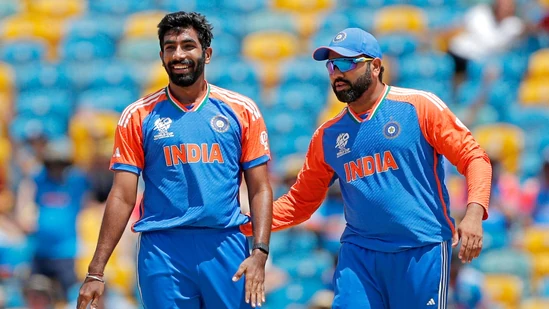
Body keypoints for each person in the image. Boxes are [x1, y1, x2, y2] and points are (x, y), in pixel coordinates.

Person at [243, 27, 493, 308]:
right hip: (360, 255)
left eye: (347, 63)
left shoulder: (418, 106)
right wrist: (241, 222)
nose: (337, 73)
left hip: (421, 249)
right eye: (331, 65)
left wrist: (474, 212)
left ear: (375, 66)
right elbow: (300, 202)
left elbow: (474, 157)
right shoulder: (328, 135)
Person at [77, 11, 273, 309]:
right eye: (170, 47)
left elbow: (260, 188)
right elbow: (121, 195)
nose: (178, 54)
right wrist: (96, 271)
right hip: (163, 250)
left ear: (206, 54)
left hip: (225, 244)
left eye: (187, 46)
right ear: (161, 55)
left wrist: (259, 253)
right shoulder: (138, 115)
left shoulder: (241, 110)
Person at [15, 137, 90, 302]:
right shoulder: (39, 180)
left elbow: (93, 171)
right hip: (40, 250)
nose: (56, 168)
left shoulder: (75, 181)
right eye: (52, 163)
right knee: (36, 297)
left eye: (60, 164)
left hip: (66, 252)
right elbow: (25, 191)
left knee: (69, 298)